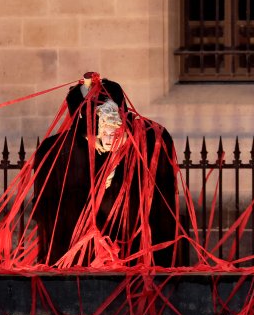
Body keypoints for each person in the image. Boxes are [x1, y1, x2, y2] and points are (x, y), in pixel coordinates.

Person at [32, 72, 183, 267]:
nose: (109, 139)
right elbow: (48, 212)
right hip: (79, 259)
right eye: (101, 131)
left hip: (135, 255)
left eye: (115, 128)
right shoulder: (55, 151)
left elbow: (161, 208)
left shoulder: (152, 140)